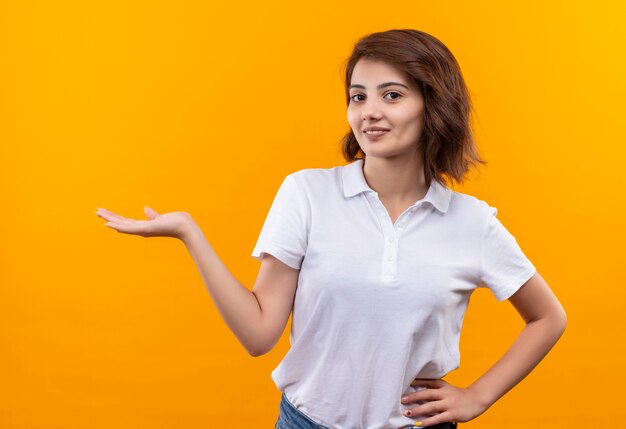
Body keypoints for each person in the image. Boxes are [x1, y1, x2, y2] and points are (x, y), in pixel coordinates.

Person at [95, 29, 566, 429]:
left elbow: (548, 318)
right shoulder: (307, 194)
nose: (369, 111)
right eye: (358, 96)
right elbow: (259, 335)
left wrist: (477, 397)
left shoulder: (472, 222)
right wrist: (189, 232)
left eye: (392, 95)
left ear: (433, 106)